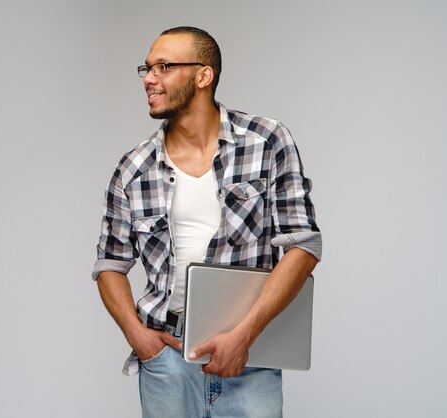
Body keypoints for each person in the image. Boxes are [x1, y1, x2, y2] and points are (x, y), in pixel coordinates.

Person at [92, 26, 322, 418]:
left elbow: (303, 245)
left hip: (251, 349)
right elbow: (110, 265)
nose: (149, 78)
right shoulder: (132, 168)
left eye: (163, 67)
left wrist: (244, 334)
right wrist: (138, 336)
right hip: (167, 358)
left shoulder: (266, 141)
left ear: (203, 75)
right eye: (146, 69)